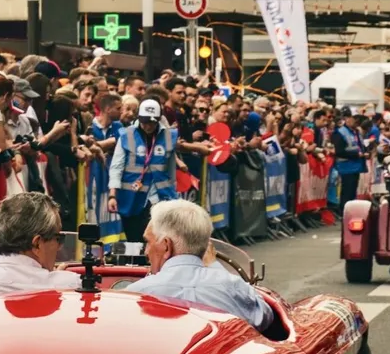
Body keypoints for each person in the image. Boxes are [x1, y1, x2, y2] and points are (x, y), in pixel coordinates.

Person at [126, 199, 273, 332]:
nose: (146, 251)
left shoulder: (136, 294)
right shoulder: (235, 287)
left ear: (166, 246)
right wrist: (214, 265)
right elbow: (267, 319)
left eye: (148, 242)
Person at [0, 192, 80, 304]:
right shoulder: (70, 286)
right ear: (37, 244)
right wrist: (58, 277)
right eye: (58, 238)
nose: (59, 246)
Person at [108, 97, 178, 241]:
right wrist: (112, 194)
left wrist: (173, 194)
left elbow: (171, 169)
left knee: (157, 240)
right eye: (145, 122)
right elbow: (116, 166)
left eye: (152, 122)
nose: (148, 126)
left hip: (160, 197)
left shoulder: (169, 136)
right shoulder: (126, 135)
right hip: (132, 198)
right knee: (135, 241)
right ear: (139, 118)